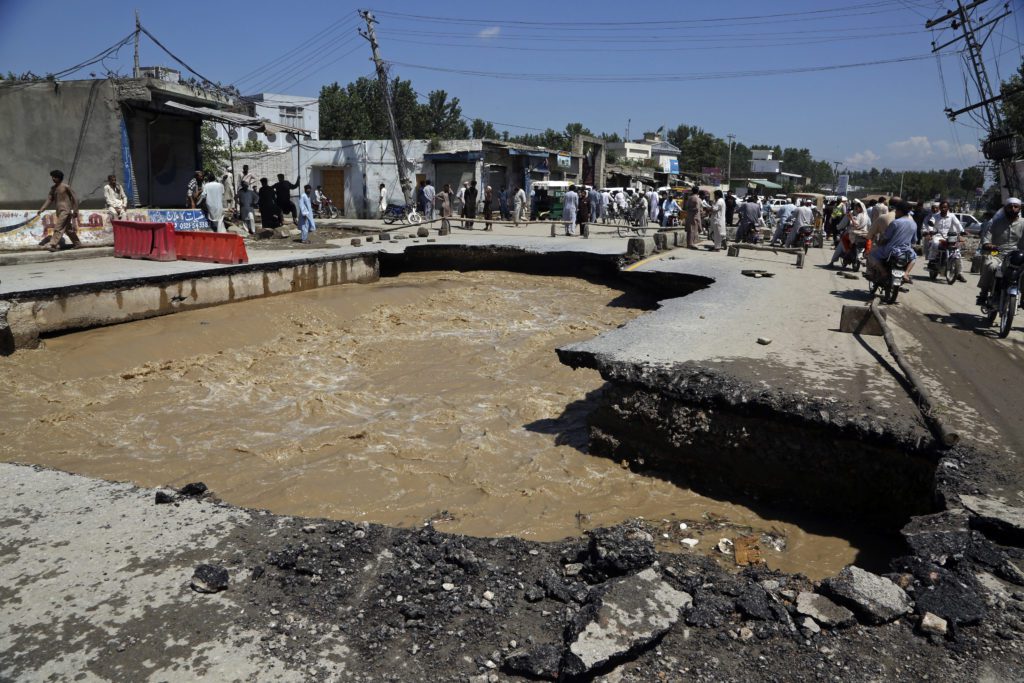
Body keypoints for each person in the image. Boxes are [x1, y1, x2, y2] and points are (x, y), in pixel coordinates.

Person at [976, 197, 1024, 306]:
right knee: (990, 266)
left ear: (1019, 209)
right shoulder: (995, 222)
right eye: (1010, 206)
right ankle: (983, 293)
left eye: (1015, 206)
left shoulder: (1023, 223)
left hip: (1017, 257)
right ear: (1005, 208)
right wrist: (989, 245)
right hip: (997, 254)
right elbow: (987, 238)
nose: (1013, 209)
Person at [868, 200, 917, 283]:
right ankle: (906, 273)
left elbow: (886, 238)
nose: (895, 213)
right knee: (914, 258)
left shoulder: (895, 223)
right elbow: (914, 240)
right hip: (906, 251)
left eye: (896, 211)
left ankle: (883, 272)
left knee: (872, 254)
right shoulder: (913, 223)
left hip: (891, 251)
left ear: (900, 211)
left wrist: (880, 243)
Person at [35, 169, 81, 251]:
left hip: (66, 211)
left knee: (58, 227)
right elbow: (49, 199)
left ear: (59, 178)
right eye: (52, 177)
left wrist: (76, 210)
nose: (53, 179)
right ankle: (77, 243)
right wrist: (42, 209)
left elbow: (75, 199)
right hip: (59, 212)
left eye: (55, 177)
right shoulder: (53, 189)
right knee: (68, 229)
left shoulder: (66, 187)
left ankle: (53, 245)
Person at [828, 199, 869, 266]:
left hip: (853, 233)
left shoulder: (852, 213)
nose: (856, 207)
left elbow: (844, 224)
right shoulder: (866, 216)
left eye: (857, 206)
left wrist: (838, 227)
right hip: (863, 235)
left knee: (840, 245)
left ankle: (832, 262)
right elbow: (869, 225)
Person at [924, 200, 964, 267]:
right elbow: (931, 222)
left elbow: (957, 224)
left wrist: (962, 231)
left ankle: (958, 268)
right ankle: (932, 260)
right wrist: (931, 230)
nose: (943, 209)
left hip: (949, 237)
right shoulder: (935, 216)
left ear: (948, 208)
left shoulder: (952, 216)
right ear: (939, 208)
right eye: (942, 207)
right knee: (935, 243)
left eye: (945, 207)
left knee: (956, 248)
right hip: (937, 236)